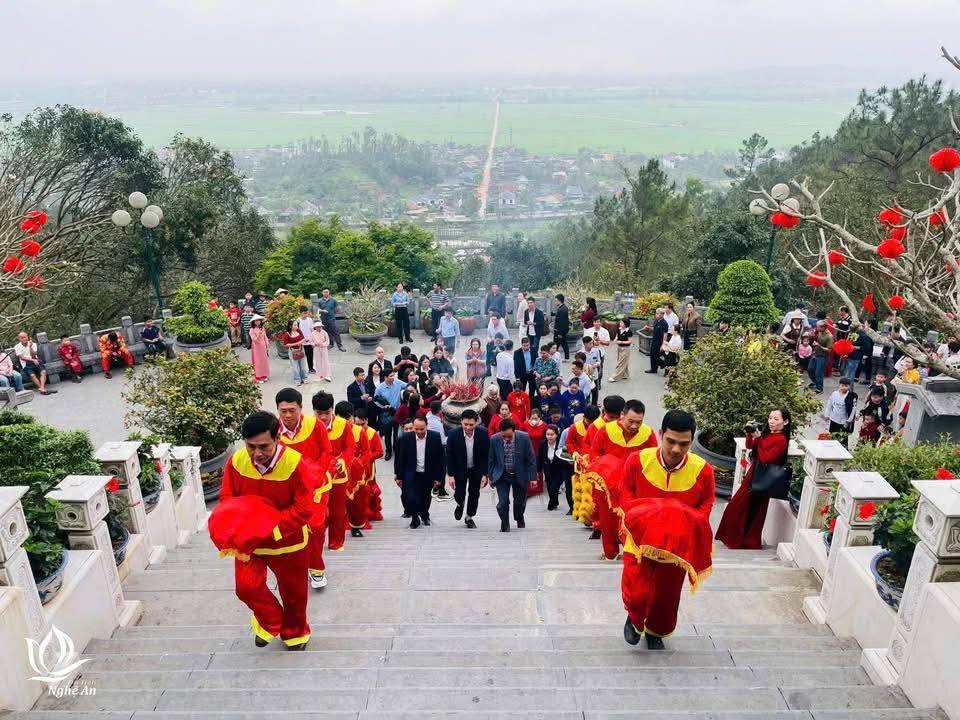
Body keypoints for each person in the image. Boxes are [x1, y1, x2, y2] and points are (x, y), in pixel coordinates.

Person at [218, 411, 318, 650]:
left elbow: (303, 509)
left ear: (277, 439)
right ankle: (270, 621)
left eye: (264, 446)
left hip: (287, 541)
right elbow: (227, 496)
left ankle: (295, 633)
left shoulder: (296, 464)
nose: (257, 454)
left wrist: (269, 528)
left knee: (293, 594)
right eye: (251, 447)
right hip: (249, 542)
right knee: (246, 588)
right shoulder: (237, 461)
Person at [619, 409, 715, 650]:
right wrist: (640, 515)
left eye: (684, 444)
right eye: (670, 441)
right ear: (660, 434)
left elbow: (706, 504)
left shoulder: (703, 470)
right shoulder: (638, 460)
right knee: (637, 590)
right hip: (640, 541)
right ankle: (635, 617)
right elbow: (626, 492)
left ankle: (656, 632)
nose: (676, 449)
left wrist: (688, 522)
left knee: (667, 595)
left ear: (692, 441)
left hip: (675, 546)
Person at [275, 388, 334, 590]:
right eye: (283, 411)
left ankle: (316, 569)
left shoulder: (314, 425)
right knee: (291, 528)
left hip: (317, 487)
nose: (288, 415)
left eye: (292, 410)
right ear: (278, 411)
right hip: (288, 490)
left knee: (316, 527)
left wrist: (316, 474)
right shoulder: (273, 431)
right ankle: (296, 565)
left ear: (301, 408)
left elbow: (327, 451)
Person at [589, 399, 659, 561]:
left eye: (639, 422)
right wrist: (608, 468)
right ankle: (610, 555)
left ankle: (632, 554)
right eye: (631, 421)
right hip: (606, 488)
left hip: (633, 489)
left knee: (632, 522)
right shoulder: (606, 430)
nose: (634, 426)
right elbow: (595, 455)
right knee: (608, 524)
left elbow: (653, 459)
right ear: (622, 415)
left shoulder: (648, 433)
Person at [715, 408, 792, 550]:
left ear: (785, 422)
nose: (771, 421)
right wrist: (750, 434)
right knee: (738, 506)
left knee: (748, 509)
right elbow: (749, 446)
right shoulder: (768, 434)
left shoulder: (781, 440)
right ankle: (737, 540)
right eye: (770, 418)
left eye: (776, 419)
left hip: (762, 478)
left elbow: (765, 458)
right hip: (754, 474)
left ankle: (744, 542)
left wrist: (758, 439)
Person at [312, 392, 356, 552]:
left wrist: (342, 461)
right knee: (318, 510)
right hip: (317, 475)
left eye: (327, 413)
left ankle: (336, 543)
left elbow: (350, 447)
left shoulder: (344, 425)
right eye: (319, 413)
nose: (323, 417)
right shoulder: (309, 427)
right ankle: (316, 542)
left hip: (338, 473)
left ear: (332, 410)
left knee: (337, 510)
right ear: (313, 411)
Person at [488, 419, 537, 532]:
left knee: (520, 502)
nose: (507, 439)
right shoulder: (494, 439)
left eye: (509, 436)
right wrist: (490, 476)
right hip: (502, 475)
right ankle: (505, 524)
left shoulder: (524, 437)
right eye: (504, 436)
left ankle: (519, 516)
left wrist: (533, 477)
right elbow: (491, 459)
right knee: (503, 502)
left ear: (514, 432)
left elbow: (531, 458)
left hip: (519, 473)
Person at [396, 415, 444, 528]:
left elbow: (440, 459)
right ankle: (414, 517)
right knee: (410, 496)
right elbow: (401, 458)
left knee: (425, 497)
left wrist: (439, 478)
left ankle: (425, 515)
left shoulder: (435, 437)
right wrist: (399, 476)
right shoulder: (406, 438)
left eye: (421, 429)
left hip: (428, 473)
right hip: (411, 473)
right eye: (416, 429)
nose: (419, 431)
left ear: (427, 426)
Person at [445, 409, 490, 529]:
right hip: (460, 469)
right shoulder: (453, 434)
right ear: (461, 422)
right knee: (459, 493)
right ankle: (460, 504)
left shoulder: (483, 433)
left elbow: (486, 455)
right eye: (465, 424)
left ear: (476, 423)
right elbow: (449, 455)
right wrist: (450, 475)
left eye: (471, 424)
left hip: (477, 469)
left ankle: (469, 516)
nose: (468, 427)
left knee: (474, 494)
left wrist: (485, 474)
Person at [354, 408, 385, 524]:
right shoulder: (352, 431)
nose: (360, 427)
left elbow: (380, 452)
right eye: (357, 424)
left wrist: (366, 457)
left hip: (368, 468)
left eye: (362, 424)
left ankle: (369, 513)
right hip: (355, 468)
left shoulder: (372, 433)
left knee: (369, 491)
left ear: (367, 421)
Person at [373, 369, 408, 460]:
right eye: (391, 376)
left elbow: (407, 386)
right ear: (385, 377)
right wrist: (384, 407)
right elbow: (375, 400)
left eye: (394, 375)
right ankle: (389, 450)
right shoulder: (380, 388)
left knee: (396, 432)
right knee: (387, 434)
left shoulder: (397, 382)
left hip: (397, 412)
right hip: (386, 414)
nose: (393, 377)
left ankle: (396, 448)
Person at [539, 424, 570, 511]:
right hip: (548, 470)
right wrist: (538, 470)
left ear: (556, 434)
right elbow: (540, 458)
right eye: (548, 434)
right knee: (550, 489)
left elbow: (565, 457)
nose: (549, 437)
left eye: (552, 434)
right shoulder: (543, 444)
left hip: (559, 471)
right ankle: (555, 502)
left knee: (554, 488)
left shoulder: (561, 444)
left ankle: (551, 504)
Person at [521, 407, 547, 496]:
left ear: (539, 418)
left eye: (536, 418)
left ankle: (537, 488)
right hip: (528, 450)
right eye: (532, 418)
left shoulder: (544, 425)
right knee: (528, 468)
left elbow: (546, 437)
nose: (534, 420)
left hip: (539, 450)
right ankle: (528, 490)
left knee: (538, 469)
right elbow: (520, 436)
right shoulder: (525, 424)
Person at [824, 377, 857, 446]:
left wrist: (849, 421)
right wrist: (827, 415)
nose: (843, 388)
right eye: (842, 385)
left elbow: (853, 410)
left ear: (849, 386)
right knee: (833, 435)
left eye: (846, 386)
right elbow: (829, 404)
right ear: (839, 385)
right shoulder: (834, 394)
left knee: (843, 438)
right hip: (834, 419)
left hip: (844, 421)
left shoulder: (851, 396)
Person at [807, 320, 833, 394]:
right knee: (810, 369)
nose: (816, 327)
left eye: (817, 326)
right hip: (815, 354)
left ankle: (819, 388)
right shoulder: (819, 332)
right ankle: (815, 382)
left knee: (819, 373)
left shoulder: (829, 336)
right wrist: (812, 336)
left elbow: (829, 350)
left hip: (823, 357)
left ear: (823, 327)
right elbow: (816, 338)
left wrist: (819, 345)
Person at [281, 319, 309, 386]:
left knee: (303, 366)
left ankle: (304, 378)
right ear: (290, 326)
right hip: (292, 351)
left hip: (301, 349)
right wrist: (295, 344)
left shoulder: (299, 331)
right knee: (295, 367)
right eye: (295, 325)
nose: (297, 326)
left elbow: (303, 338)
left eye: (297, 325)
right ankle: (297, 380)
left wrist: (300, 342)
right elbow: (285, 344)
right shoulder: (287, 334)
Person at [608, 318, 633, 382]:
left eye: (621, 323)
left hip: (626, 349)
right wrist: (615, 340)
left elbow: (630, 342)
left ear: (625, 324)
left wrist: (621, 342)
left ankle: (615, 377)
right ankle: (625, 375)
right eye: (620, 322)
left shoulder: (629, 331)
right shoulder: (619, 329)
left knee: (620, 363)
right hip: (619, 348)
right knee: (623, 362)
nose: (620, 324)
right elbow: (617, 337)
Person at [645, 309, 669, 374]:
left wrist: (663, 345)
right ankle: (653, 369)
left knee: (656, 356)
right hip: (654, 340)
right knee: (652, 355)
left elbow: (665, 335)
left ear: (662, 314)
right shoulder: (656, 321)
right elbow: (654, 328)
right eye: (656, 313)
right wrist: (649, 328)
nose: (656, 315)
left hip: (660, 341)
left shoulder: (664, 323)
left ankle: (664, 365)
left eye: (658, 313)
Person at [249, 315, 270, 383]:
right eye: (256, 321)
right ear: (254, 322)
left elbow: (265, 337)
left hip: (263, 347)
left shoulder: (262, 328)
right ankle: (258, 377)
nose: (258, 322)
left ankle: (264, 375)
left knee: (264, 361)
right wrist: (258, 335)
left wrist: (267, 346)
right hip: (256, 348)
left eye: (259, 320)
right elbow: (254, 339)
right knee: (258, 362)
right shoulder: (252, 330)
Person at [296, 307, 315, 374]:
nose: (306, 314)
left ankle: (311, 368)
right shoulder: (298, 321)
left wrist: (313, 339)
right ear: (300, 313)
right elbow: (297, 332)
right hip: (302, 342)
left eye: (307, 313)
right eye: (304, 313)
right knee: (301, 357)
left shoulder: (310, 320)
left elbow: (312, 330)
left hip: (309, 341)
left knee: (310, 355)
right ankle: (302, 370)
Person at [553, 293, 571, 360]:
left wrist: (560, 333)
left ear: (559, 300)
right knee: (558, 344)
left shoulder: (562, 309)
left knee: (562, 344)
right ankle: (558, 357)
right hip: (559, 330)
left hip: (560, 331)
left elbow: (562, 322)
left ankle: (565, 358)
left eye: (556, 300)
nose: (555, 302)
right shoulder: (562, 308)